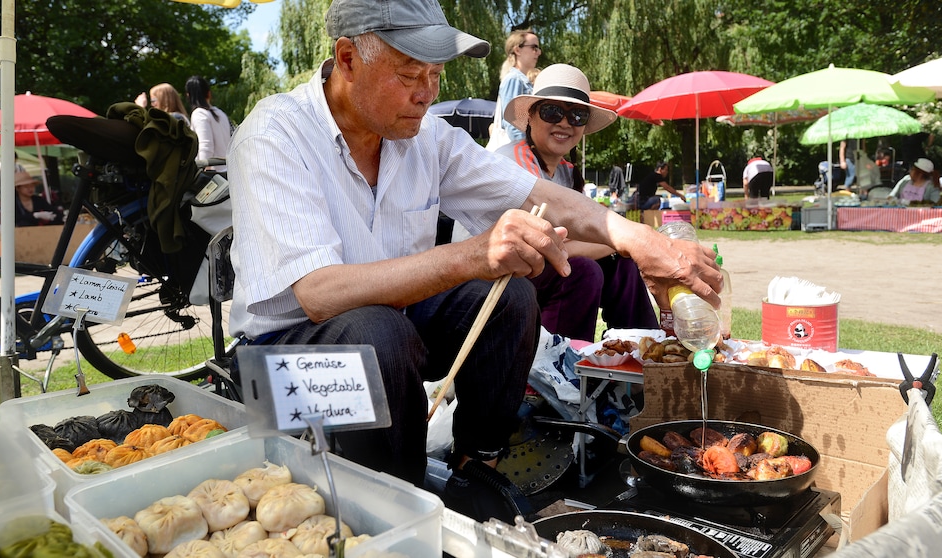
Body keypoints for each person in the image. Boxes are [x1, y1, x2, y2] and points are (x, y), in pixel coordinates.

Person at [227, 0, 720, 523]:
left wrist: (639, 240)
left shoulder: (421, 136)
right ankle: (395, 509)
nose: (427, 93)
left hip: (392, 327)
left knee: (507, 294)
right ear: (347, 59)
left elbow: (536, 193)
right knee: (377, 333)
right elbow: (318, 293)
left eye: (436, 74)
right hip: (278, 367)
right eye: (410, 74)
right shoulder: (276, 132)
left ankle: (477, 462)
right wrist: (471, 254)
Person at [496, 63, 657, 340]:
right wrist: (621, 241)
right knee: (583, 270)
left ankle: (641, 349)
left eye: (577, 115)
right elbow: (559, 247)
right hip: (496, 280)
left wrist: (621, 246)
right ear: (531, 116)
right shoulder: (515, 162)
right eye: (552, 111)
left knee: (622, 264)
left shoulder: (565, 172)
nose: (564, 123)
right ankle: (559, 370)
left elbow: (582, 235)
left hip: (534, 271)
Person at [487, 29, 540, 147]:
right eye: (534, 47)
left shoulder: (520, 80)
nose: (538, 52)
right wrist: (526, 152)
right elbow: (512, 122)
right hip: (518, 153)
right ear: (517, 50)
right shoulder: (514, 80)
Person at [185, 75, 232, 173]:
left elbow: (205, 146)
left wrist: (202, 170)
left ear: (188, 96)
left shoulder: (199, 114)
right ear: (208, 93)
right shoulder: (220, 113)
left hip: (213, 173)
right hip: (228, 169)